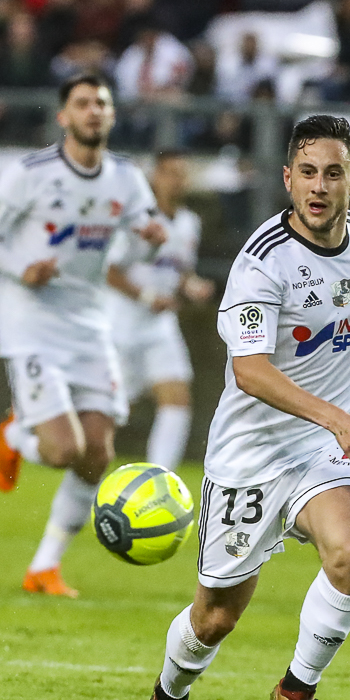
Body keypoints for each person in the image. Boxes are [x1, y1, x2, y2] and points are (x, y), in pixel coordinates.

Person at [134, 115, 350, 700]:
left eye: (333, 173)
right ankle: (169, 699)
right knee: (215, 618)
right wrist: (338, 418)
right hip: (251, 456)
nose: (319, 186)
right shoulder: (262, 262)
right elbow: (250, 372)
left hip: (325, 449)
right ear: (289, 179)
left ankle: (298, 691)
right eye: (308, 173)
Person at [0, 74, 168, 599]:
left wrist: (150, 242)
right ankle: (16, 434)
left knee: (96, 453)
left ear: (112, 115)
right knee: (61, 450)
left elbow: (131, 254)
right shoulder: (31, 173)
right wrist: (21, 266)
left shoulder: (126, 178)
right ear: (64, 116)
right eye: (82, 103)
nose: (93, 111)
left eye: (101, 103)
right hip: (29, 319)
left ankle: (44, 567)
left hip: (88, 321)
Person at [104, 151, 216, 472]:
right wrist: (147, 296)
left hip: (160, 327)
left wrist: (192, 286)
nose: (176, 181)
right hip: (121, 326)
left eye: (182, 174)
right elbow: (108, 271)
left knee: (177, 398)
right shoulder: (136, 220)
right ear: (155, 177)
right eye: (170, 173)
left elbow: (179, 271)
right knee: (107, 413)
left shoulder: (189, 223)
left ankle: (158, 477)